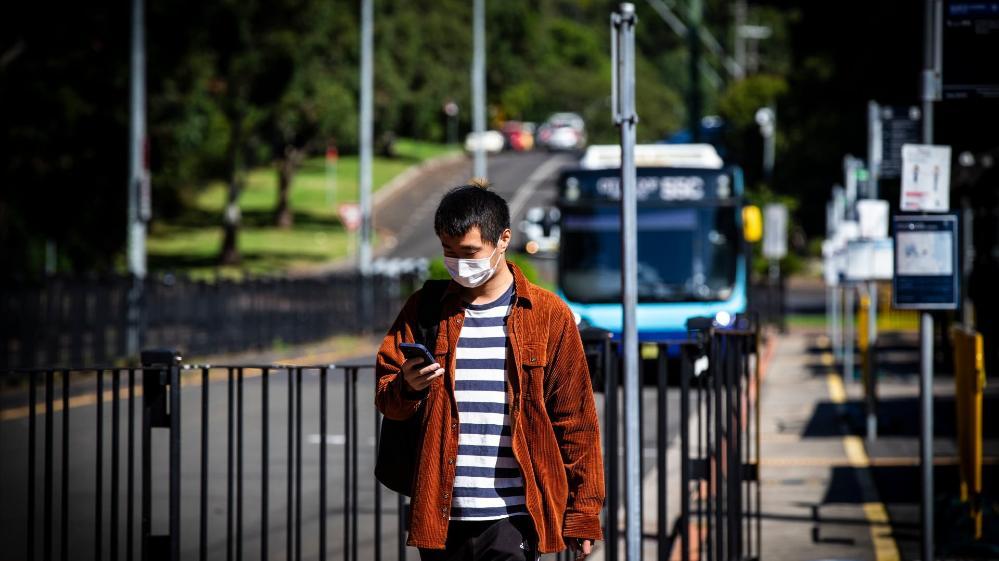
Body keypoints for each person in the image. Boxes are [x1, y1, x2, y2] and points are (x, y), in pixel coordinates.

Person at [375, 181, 604, 560]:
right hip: (440, 514)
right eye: (448, 252)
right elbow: (388, 399)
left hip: (513, 517)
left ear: (503, 240)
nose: (459, 263)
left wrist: (582, 514)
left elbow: (576, 419)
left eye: (469, 252)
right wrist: (408, 387)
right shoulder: (424, 309)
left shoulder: (548, 315)